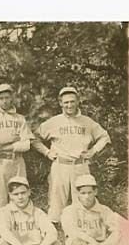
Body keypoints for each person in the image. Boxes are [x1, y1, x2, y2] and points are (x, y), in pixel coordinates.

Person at [32, 86, 111, 224]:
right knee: (56, 200)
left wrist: (93, 151)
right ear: (60, 103)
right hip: (60, 165)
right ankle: (55, 228)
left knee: (82, 199)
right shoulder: (54, 121)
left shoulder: (87, 122)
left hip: (80, 165)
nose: (69, 105)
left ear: (78, 101)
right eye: (66, 102)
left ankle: (80, 227)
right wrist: (47, 152)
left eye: (72, 101)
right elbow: (34, 138)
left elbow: (104, 136)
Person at [0, 83, 34, 218]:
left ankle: (20, 230)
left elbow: (26, 144)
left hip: (17, 161)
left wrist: (7, 146)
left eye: (7, 97)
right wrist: (5, 140)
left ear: (12, 98)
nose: (4, 101)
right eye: (1, 98)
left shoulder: (20, 119)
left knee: (19, 196)